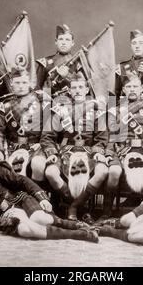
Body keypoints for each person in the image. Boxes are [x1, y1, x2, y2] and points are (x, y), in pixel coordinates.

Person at [0, 139, 99, 243]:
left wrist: (42, 197)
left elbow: (22, 180)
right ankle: (79, 235)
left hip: (19, 200)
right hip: (3, 216)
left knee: (41, 218)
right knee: (26, 230)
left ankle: (77, 225)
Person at [41, 72, 108, 221]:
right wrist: (52, 153)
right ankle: (76, 205)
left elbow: (102, 137)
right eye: (74, 88)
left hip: (89, 152)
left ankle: (74, 207)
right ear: (69, 91)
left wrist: (98, 152)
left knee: (102, 171)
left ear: (86, 90)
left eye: (80, 87)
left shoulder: (97, 111)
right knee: (51, 172)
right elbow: (47, 136)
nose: (77, 90)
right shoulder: (60, 110)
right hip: (66, 151)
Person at [105, 73, 143, 206]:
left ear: (142, 89)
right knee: (113, 171)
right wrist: (109, 154)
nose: (132, 89)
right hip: (123, 151)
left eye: (135, 86)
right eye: (128, 86)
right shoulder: (116, 111)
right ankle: (107, 210)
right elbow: (112, 135)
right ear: (123, 90)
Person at [0, 69, 48, 182]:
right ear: (11, 84)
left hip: (36, 146)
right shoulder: (5, 106)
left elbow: (49, 127)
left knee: (38, 166)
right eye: (17, 83)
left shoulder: (41, 101)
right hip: (12, 147)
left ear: (30, 83)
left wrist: (42, 144)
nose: (21, 86)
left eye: (24, 82)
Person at [35, 24, 75, 96]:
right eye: (61, 39)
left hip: (73, 104)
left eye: (67, 40)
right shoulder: (45, 63)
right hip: (50, 104)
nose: (63, 42)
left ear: (72, 43)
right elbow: (37, 89)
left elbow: (85, 88)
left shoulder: (77, 62)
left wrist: (67, 76)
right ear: (56, 41)